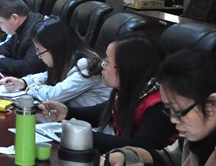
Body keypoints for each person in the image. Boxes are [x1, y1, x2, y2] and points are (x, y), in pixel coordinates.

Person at [38, 33, 176, 152]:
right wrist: (67, 112)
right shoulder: (132, 90)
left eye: (107, 62)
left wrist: (86, 135)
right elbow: (102, 112)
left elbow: (140, 148)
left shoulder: (158, 104)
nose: (102, 65)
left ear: (127, 69)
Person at [0, 17, 111, 108]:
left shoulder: (86, 65)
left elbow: (54, 96)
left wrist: (34, 88)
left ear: (55, 48)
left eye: (40, 51)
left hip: (91, 125)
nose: (39, 56)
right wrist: (23, 82)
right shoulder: (68, 58)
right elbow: (47, 75)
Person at [0, 0, 46, 77]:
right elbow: (9, 45)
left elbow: (29, 67)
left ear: (14, 18)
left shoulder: (38, 30)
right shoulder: (21, 25)